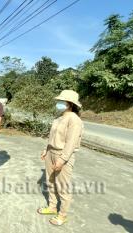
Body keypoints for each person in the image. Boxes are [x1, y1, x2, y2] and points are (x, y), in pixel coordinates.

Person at [37, 90, 84, 226]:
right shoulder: (59, 118)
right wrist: (46, 149)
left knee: (62, 186)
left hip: (62, 155)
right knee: (50, 182)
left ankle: (62, 215)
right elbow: (52, 137)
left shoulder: (74, 120)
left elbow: (71, 142)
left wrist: (62, 159)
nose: (58, 103)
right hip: (51, 152)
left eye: (61, 101)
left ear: (69, 104)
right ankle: (52, 207)